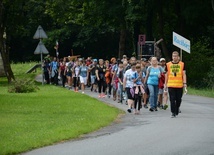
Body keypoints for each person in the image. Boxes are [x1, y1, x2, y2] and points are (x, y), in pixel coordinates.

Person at [164, 51, 187, 118]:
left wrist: (185, 83)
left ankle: (177, 108)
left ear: (178, 57)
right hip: (171, 84)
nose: (174, 57)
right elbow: (166, 75)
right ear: (172, 57)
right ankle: (173, 112)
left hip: (179, 85)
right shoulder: (168, 64)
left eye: (176, 56)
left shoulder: (182, 64)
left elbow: (184, 74)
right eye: (173, 56)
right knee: (172, 99)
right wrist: (165, 84)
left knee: (178, 99)